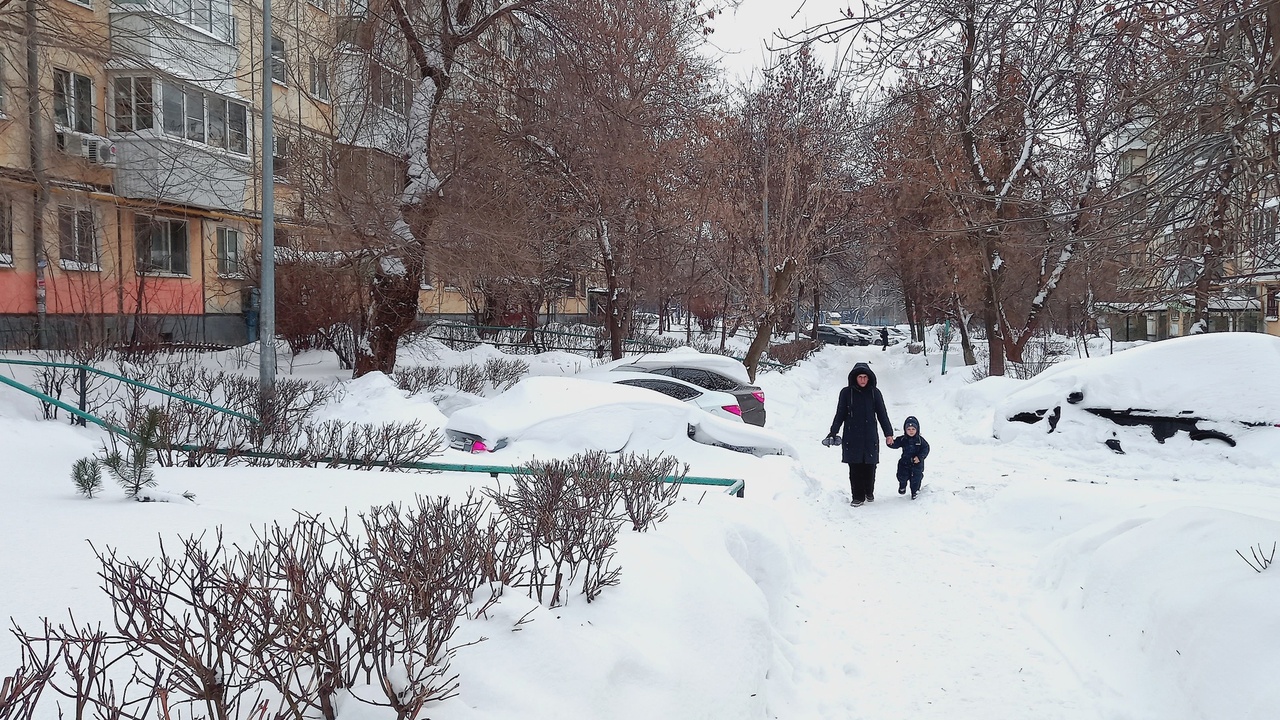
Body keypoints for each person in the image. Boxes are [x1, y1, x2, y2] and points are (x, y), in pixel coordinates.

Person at [826, 362, 893, 507]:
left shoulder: (875, 393)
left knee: (870, 466)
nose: (862, 380)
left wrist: (888, 433)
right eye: (860, 377)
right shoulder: (846, 393)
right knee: (855, 467)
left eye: (865, 377)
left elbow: (882, 414)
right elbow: (840, 413)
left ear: (869, 378)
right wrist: (833, 431)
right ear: (855, 378)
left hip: (870, 435)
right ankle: (857, 496)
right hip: (852, 435)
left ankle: (869, 491)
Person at [890, 415, 930, 499]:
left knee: (916, 479)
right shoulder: (903, 439)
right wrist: (890, 443)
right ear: (905, 430)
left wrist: (919, 457)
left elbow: (926, 448)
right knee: (902, 476)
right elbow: (895, 444)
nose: (911, 431)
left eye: (913, 429)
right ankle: (902, 485)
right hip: (904, 463)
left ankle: (915, 492)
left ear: (917, 429)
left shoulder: (920, 440)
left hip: (917, 464)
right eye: (908, 429)